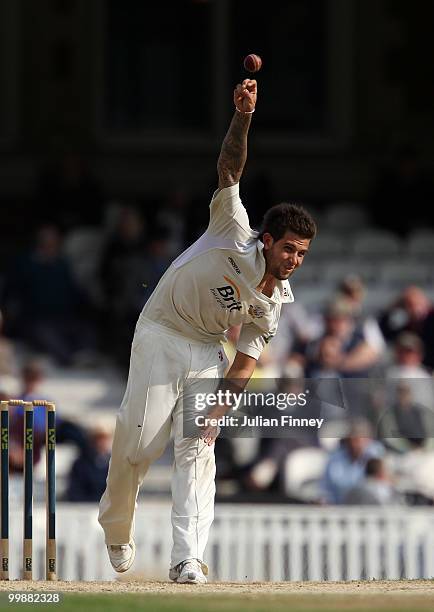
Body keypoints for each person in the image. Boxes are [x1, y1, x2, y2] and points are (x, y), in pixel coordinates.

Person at [98, 78, 316, 584]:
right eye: (289, 249)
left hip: (205, 353)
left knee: (197, 450)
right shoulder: (232, 230)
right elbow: (229, 168)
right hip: (161, 330)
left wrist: (222, 405)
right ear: (268, 240)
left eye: (303, 254)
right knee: (137, 447)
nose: (294, 260)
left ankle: (186, 559)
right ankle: (117, 529)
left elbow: (245, 359)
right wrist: (243, 116)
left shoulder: (274, 302)